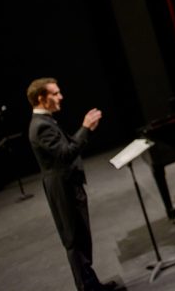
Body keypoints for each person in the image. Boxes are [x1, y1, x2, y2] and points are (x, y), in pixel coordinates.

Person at [27, 78, 120, 291]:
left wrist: (87, 130)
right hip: (62, 187)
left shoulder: (46, 121)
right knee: (74, 239)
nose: (61, 97)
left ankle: (91, 284)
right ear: (41, 98)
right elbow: (65, 154)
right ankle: (86, 287)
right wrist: (85, 128)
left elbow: (67, 149)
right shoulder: (41, 126)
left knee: (80, 236)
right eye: (55, 93)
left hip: (66, 184)